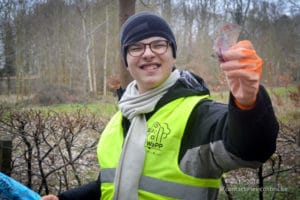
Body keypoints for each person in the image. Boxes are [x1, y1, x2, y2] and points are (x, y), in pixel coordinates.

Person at [42, 11, 279, 200]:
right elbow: (110, 183)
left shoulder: (197, 113)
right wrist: (65, 199)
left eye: (158, 44)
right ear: (126, 60)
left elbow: (251, 150)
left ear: (172, 54)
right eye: (136, 47)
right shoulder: (121, 117)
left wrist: (248, 101)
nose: (147, 53)